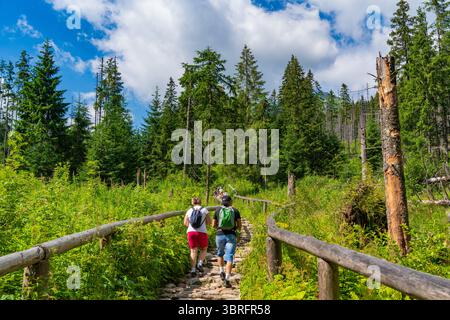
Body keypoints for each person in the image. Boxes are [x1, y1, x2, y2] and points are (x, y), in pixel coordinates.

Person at [213, 195, 242, 288]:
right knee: (229, 257)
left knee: (220, 254)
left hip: (219, 235)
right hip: (231, 235)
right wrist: (236, 230)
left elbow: (214, 224)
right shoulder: (235, 210)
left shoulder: (217, 210)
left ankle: (221, 271)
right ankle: (227, 278)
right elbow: (239, 225)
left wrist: (218, 228)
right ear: (230, 202)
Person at [184, 198, 211, 277]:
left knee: (193, 251)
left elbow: (185, 223)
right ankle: (199, 263)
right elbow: (209, 222)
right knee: (204, 249)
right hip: (202, 232)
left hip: (191, 232)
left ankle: (193, 270)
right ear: (200, 202)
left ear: (193, 203)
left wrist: (192, 226)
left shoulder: (189, 210)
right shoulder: (205, 210)